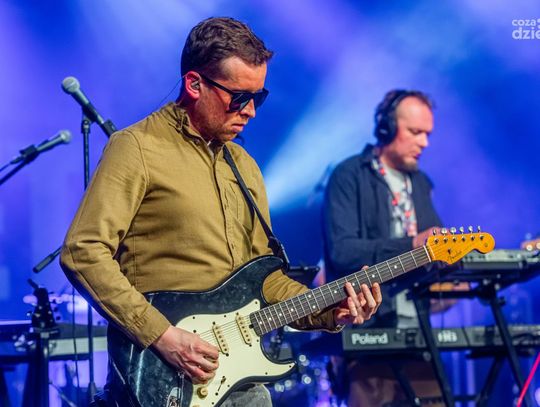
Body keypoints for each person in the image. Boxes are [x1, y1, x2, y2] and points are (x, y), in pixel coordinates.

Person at [60, 17, 382, 406]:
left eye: (259, 97)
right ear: (194, 84)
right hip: (162, 378)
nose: (251, 112)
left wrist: (330, 309)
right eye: (240, 97)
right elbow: (83, 252)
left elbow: (266, 282)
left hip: (239, 383)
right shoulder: (137, 148)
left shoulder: (244, 166)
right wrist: (162, 335)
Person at [323, 89, 445, 407]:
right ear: (386, 127)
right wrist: (412, 244)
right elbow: (342, 252)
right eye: (415, 132)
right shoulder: (349, 175)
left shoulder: (421, 183)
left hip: (418, 331)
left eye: (428, 134)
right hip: (366, 331)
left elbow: (436, 249)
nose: (424, 143)